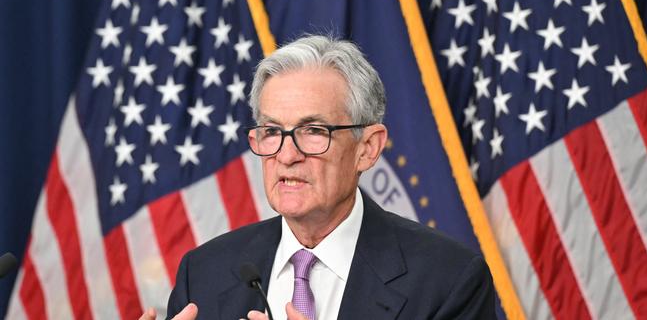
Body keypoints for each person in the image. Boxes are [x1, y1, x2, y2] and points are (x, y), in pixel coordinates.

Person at [140, 35, 496, 320]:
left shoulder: (448, 280)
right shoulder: (203, 272)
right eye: (272, 131)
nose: (287, 154)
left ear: (367, 148)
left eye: (313, 130)